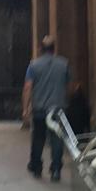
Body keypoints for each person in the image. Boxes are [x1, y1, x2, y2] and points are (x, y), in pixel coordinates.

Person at [23, 36, 69, 180]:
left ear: (41, 49)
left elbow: (28, 87)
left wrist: (25, 108)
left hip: (40, 108)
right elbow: (67, 84)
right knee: (57, 139)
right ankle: (56, 169)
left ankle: (36, 166)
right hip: (58, 108)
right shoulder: (64, 64)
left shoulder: (33, 65)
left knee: (38, 138)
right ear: (54, 49)